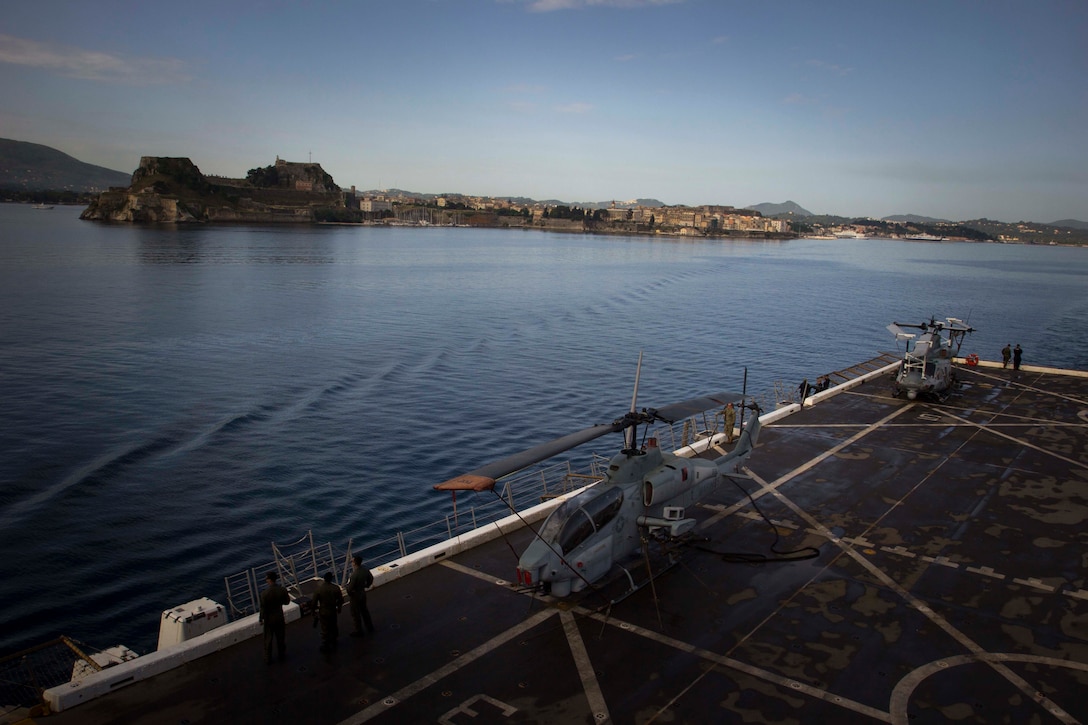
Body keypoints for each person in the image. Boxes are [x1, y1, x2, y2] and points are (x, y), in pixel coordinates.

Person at [259, 571, 290, 664]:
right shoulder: (282, 590)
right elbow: (287, 602)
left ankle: (268, 658)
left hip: (269, 619)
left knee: (268, 639)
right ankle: (281, 654)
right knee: (280, 637)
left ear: (269, 580)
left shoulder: (264, 594)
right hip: (279, 617)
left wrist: (261, 618)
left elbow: (263, 608)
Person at [311, 571, 344, 653]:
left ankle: (326, 644)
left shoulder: (319, 590)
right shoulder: (336, 588)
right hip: (332, 610)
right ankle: (334, 639)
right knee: (333, 625)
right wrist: (339, 608)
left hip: (323, 611)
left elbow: (314, 602)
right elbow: (341, 600)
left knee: (325, 627)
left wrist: (313, 612)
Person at [346, 555, 375, 637]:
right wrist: (367, 585)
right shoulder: (365, 570)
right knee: (364, 610)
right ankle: (369, 627)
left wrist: (349, 593)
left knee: (355, 613)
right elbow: (371, 578)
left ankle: (358, 630)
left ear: (355, 563)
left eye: (352, 561)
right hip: (362, 593)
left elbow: (350, 588)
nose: (351, 562)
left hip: (355, 595)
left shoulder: (354, 575)